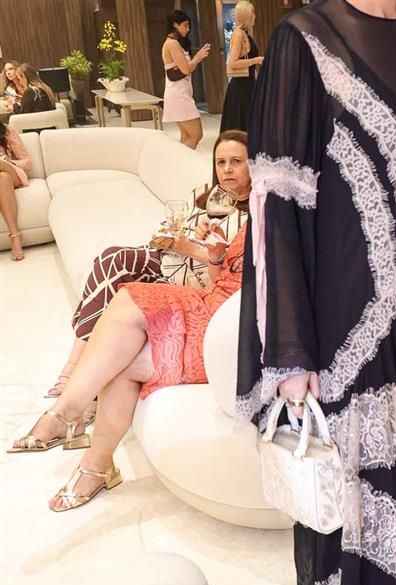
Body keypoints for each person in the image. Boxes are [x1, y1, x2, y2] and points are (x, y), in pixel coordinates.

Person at [235, 0, 396, 585]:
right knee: (357, 518)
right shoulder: (304, 40)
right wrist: (290, 352)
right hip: (350, 341)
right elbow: (276, 210)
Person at [9, 218, 245, 511]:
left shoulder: (284, 217)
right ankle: (76, 427)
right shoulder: (257, 213)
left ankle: (83, 443)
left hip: (232, 327)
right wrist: (217, 255)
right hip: (209, 303)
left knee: (124, 354)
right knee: (126, 302)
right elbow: (222, 281)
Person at [42, 130, 251, 400]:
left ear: (253, 165)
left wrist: (190, 249)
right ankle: (75, 370)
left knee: (113, 289)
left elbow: (228, 274)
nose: (227, 169)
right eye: (220, 162)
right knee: (112, 259)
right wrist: (164, 236)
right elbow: (169, 225)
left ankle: (72, 375)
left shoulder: (253, 216)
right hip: (165, 259)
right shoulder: (203, 194)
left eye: (236, 162)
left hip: (192, 282)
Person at [161, 10, 211, 149]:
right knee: (196, 134)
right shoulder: (172, 44)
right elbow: (186, 69)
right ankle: (184, 161)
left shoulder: (173, 43)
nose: (188, 29)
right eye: (185, 25)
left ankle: (180, 161)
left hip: (180, 92)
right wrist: (198, 57)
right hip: (179, 94)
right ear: (175, 25)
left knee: (187, 136)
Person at [220, 1, 263, 132]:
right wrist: (256, 60)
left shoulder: (245, 34)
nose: (255, 16)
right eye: (253, 13)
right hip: (241, 88)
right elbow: (232, 62)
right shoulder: (239, 34)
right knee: (243, 127)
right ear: (247, 15)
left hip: (248, 85)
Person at [0, 122, 31, 261]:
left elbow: (27, 162)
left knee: (3, 169)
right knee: (3, 178)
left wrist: (8, 162)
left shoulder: (7, 131)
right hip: (4, 179)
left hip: (13, 173)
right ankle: (15, 237)